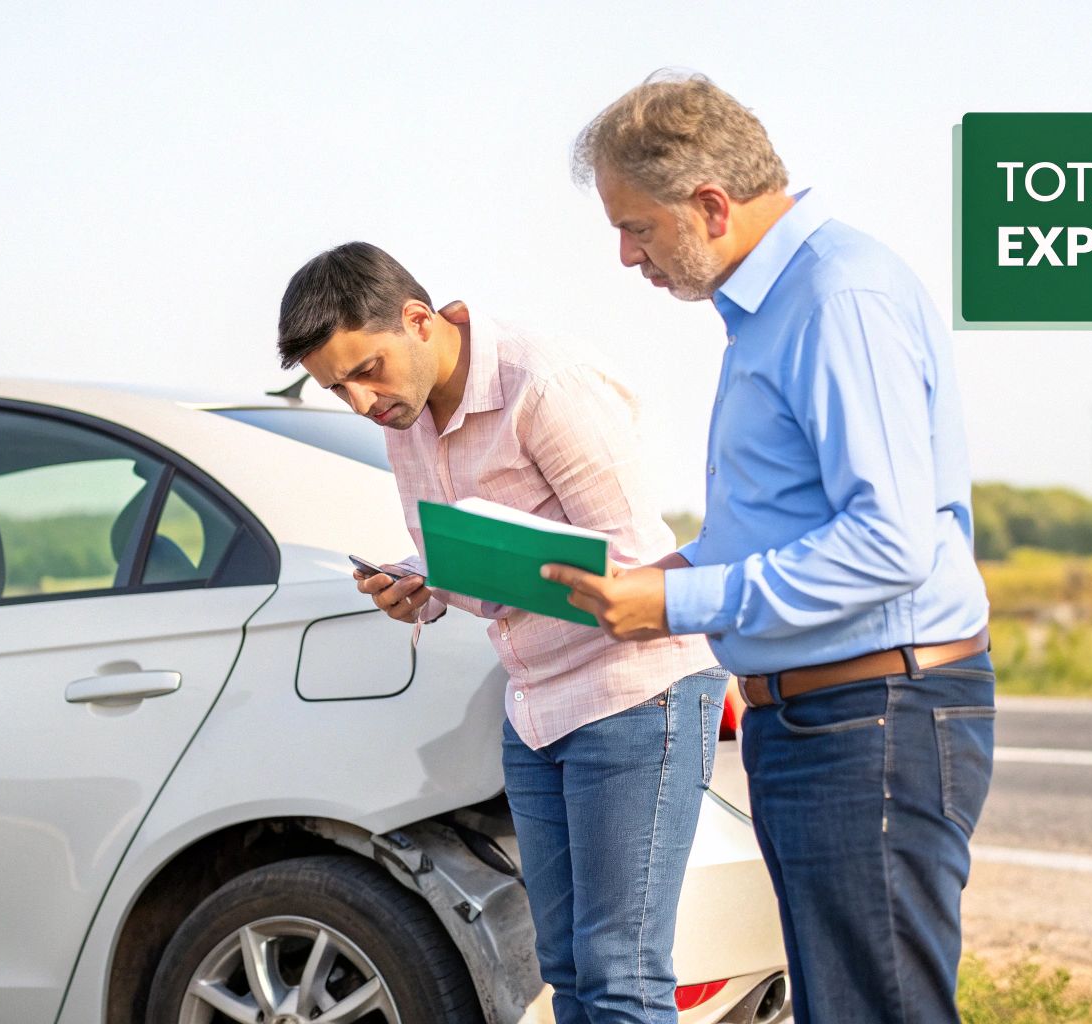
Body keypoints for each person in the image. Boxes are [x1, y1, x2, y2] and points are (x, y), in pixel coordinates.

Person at [544, 72, 996, 1024]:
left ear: (710, 205)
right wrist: (654, 579)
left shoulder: (838, 298)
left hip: (872, 713)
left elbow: (888, 543)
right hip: (817, 721)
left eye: (637, 228)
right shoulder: (775, 307)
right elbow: (778, 526)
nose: (628, 257)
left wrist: (678, 606)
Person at [275, 241, 725, 1024]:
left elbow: (632, 561)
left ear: (418, 321)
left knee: (621, 970)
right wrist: (422, 581)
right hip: (534, 704)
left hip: (634, 689)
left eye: (367, 370)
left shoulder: (543, 383)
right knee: (566, 966)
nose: (360, 401)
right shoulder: (402, 413)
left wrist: (502, 566)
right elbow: (458, 547)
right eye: (336, 387)